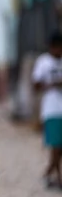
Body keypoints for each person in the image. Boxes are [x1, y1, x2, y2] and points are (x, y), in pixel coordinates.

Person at [32, 31, 62, 188]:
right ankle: (54, 176)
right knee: (56, 146)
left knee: (59, 148)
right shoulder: (43, 62)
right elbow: (35, 85)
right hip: (52, 110)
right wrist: (52, 84)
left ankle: (51, 174)